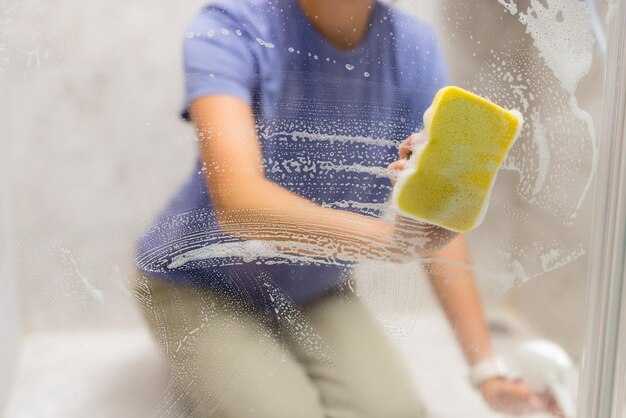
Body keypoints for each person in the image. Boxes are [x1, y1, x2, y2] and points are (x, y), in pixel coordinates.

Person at [134, 0, 562, 416]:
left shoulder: (414, 46)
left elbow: (441, 215)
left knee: (395, 412)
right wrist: (391, 242)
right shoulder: (230, 26)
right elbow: (238, 203)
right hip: (200, 283)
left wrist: (486, 372)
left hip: (314, 284)